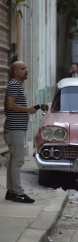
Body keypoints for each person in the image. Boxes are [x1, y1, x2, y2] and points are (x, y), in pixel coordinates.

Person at [4, 61, 38, 203]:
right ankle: (18, 193)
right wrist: (28, 110)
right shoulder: (13, 85)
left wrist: (30, 108)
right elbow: (11, 105)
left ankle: (11, 191)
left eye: (26, 67)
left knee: (13, 161)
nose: (27, 70)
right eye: (23, 68)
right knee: (17, 162)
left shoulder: (17, 86)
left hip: (16, 128)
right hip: (14, 129)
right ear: (16, 72)